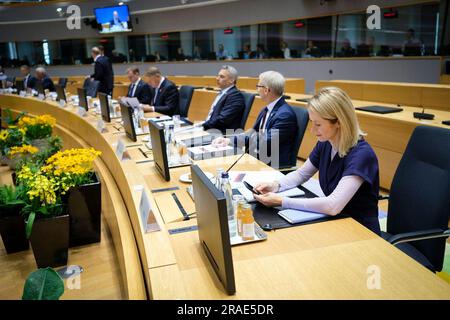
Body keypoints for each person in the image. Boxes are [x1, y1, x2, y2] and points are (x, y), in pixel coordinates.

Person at [252, 87, 381, 235]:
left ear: (339, 122)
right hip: (335, 223)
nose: (312, 131)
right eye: (312, 122)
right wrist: (276, 185)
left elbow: (333, 205)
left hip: (360, 231)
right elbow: (302, 174)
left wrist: (282, 201)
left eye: (318, 124)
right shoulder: (326, 142)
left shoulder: (361, 155)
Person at [212, 71, 298, 168]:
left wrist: (245, 138)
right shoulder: (267, 109)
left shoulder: (285, 115)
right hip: (258, 158)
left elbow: (265, 142)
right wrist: (228, 140)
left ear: (266, 90)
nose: (257, 89)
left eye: (258, 86)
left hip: (272, 166)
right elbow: (253, 133)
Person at [202, 65, 245, 133]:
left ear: (231, 80)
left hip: (222, 135)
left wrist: (203, 126)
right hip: (211, 129)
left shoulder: (235, 96)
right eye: (218, 76)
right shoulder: (223, 93)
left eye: (222, 77)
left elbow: (222, 120)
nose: (217, 78)